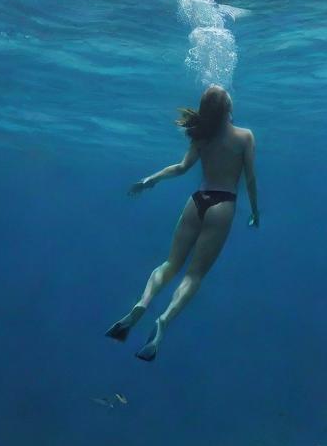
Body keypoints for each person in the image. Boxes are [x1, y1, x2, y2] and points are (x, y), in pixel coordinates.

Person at [106, 85, 258, 361]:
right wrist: (255, 213)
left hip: (196, 201)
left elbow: (180, 167)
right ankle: (162, 321)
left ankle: (143, 302)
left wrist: (149, 180)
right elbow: (250, 179)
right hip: (222, 204)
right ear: (228, 107)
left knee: (169, 264)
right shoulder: (244, 137)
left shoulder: (201, 137)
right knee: (194, 274)